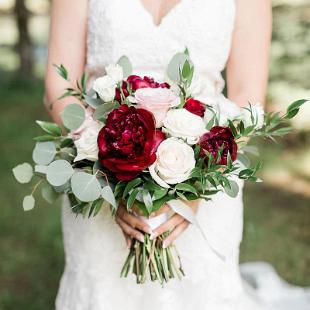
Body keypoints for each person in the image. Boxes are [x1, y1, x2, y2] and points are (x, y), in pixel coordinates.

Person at [44, 1, 272, 309]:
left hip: (207, 182)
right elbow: (60, 86)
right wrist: (105, 179)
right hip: (97, 170)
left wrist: (200, 184)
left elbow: (247, 97)